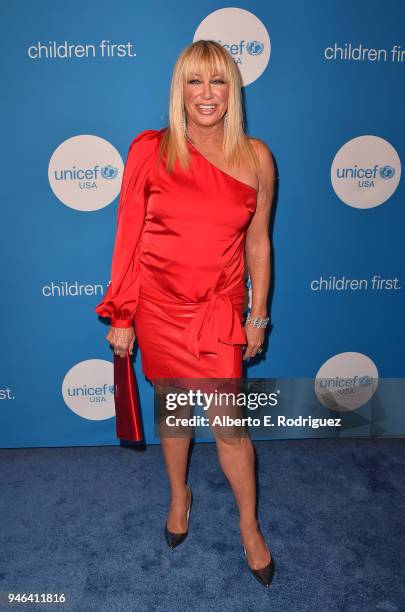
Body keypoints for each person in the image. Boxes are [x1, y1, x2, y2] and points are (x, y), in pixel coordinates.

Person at [95, 40, 275, 588]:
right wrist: (122, 312)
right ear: (180, 89)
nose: (206, 94)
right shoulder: (151, 150)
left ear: (232, 91)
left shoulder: (257, 157)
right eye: (194, 82)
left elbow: (259, 244)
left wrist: (258, 314)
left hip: (219, 310)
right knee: (174, 415)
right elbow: (128, 236)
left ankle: (249, 525)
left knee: (230, 427)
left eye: (217, 81)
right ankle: (180, 496)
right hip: (159, 307)